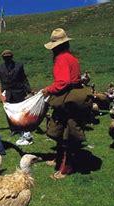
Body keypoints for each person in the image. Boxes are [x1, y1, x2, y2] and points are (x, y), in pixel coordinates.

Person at [41, 28, 92, 179]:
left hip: (68, 99)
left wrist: (48, 89)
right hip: (73, 97)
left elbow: (63, 82)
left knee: (66, 133)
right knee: (61, 127)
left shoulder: (61, 59)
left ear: (56, 47)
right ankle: (59, 159)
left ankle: (66, 167)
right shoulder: (72, 58)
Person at [0, 49, 33, 145]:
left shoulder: (19, 66)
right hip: (7, 93)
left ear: (12, 57)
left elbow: (24, 79)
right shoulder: (0, 68)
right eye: (5, 58)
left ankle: (23, 128)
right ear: (3, 58)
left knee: (20, 111)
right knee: (9, 112)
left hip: (19, 92)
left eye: (9, 57)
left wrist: (29, 90)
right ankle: (13, 129)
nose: (7, 59)